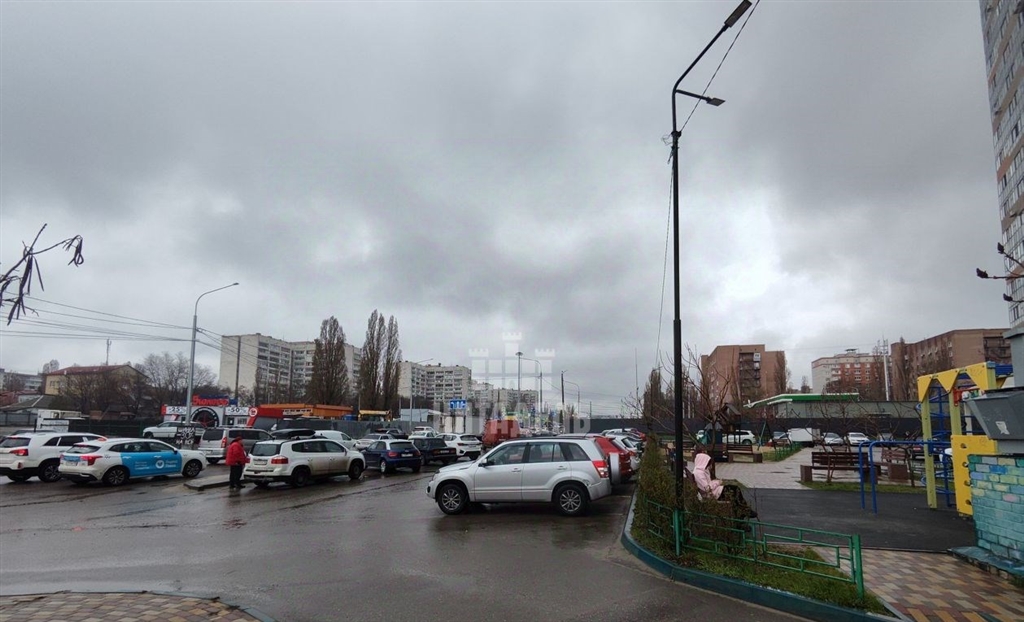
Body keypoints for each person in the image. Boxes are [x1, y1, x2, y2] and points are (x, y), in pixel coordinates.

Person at [691, 452, 757, 519]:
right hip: (714, 494)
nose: (708, 465)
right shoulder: (699, 473)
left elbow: (708, 484)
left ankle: (742, 512)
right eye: (707, 463)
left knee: (734, 491)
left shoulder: (700, 471)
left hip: (715, 492)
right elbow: (707, 488)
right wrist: (718, 483)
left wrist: (716, 482)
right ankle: (745, 511)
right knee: (735, 490)